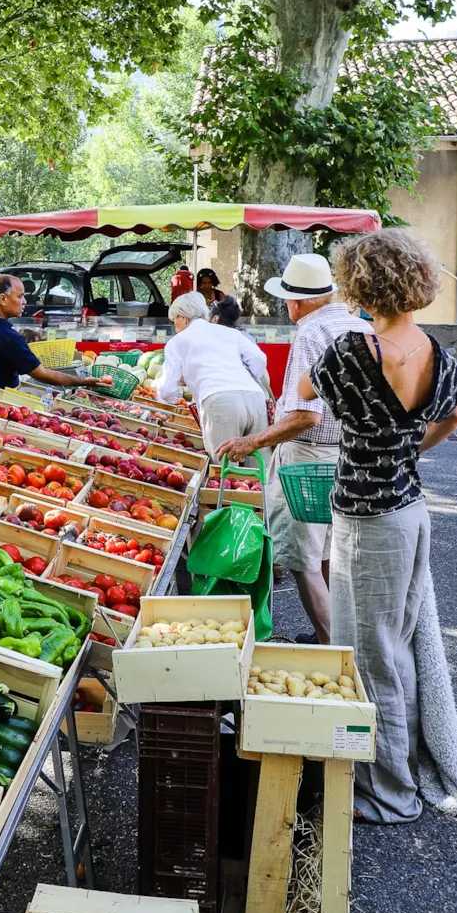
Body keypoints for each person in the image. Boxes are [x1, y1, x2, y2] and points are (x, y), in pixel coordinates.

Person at [298, 229, 457, 824]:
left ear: (359, 284)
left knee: (374, 656)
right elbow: (455, 417)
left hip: (367, 518)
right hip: (409, 509)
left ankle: (389, 792)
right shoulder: (442, 355)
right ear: (417, 281)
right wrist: (408, 451)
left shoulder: (350, 351)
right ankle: (400, 772)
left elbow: (302, 393)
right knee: (399, 645)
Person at [216, 253, 373, 643]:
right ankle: (337, 637)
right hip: (351, 454)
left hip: (308, 460)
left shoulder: (310, 333)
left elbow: (307, 416)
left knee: (303, 559)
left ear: (297, 302)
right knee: (328, 555)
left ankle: (333, 644)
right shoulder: (358, 325)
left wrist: (253, 440)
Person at [0, 275, 112, 406]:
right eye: (20, 296)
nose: (24, 301)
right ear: (3, 299)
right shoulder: (8, 336)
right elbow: (42, 374)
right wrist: (83, 381)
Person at [152, 292, 268, 456]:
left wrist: (167, 397)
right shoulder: (229, 332)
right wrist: (247, 381)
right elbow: (259, 359)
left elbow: (166, 387)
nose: (174, 325)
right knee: (259, 469)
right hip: (255, 400)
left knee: (225, 471)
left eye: (174, 320)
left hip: (220, 401)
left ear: (183, 316)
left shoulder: (177, 342)